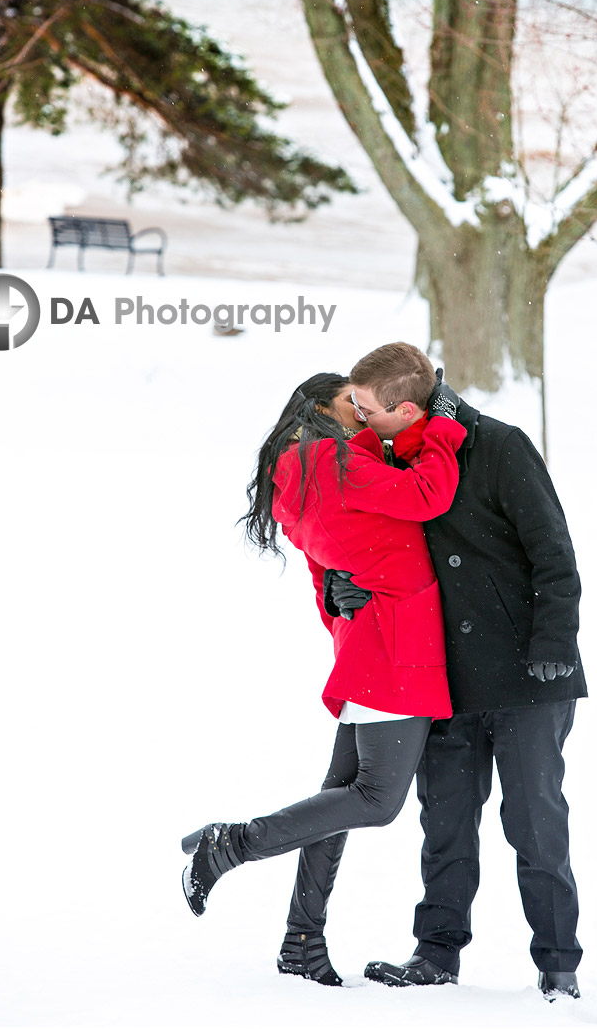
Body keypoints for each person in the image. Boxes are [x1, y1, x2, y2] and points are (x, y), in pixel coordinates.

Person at [317, 343, 587, 1002]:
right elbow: (362, 546)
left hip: (527, 676)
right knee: (443, 819)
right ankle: (435, 954)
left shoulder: (499, 446)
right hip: (441, 678)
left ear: (405, 407)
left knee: (533, 821)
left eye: (365, 406)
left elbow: (553, 551)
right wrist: (338, 589)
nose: (354, 415)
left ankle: (558, 968)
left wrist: (552, 638)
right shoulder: (383, 457)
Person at [181, 372, 466, 987]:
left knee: (338, 798)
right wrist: (440, 425)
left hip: (371, 643)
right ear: (321, 410)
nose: (363, 413)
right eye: (351, 404)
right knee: (375, 802)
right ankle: (232, 845)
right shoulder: (331, 464)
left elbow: (323, 577)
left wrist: (342, 601)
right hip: (399, 647)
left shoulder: (299, 475)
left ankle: (301, 940)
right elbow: (428, 497)